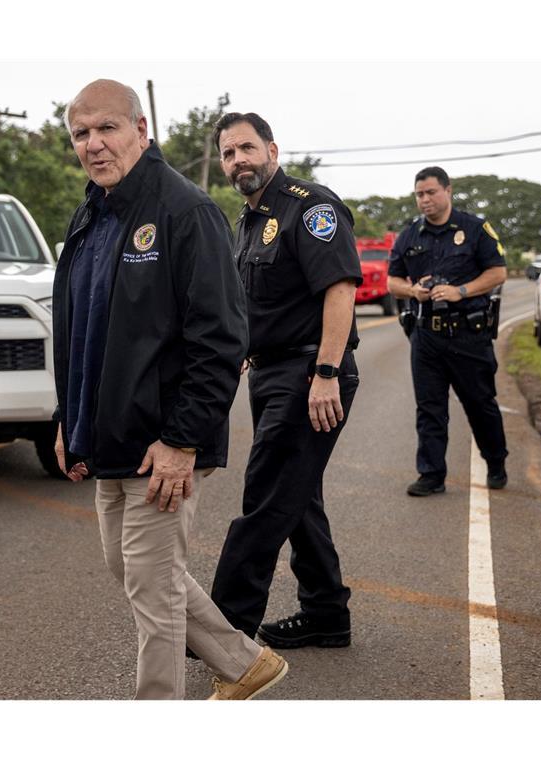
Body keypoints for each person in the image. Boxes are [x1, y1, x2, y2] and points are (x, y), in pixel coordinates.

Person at [52, 80, 287, 700]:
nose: (94, 144)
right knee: (132, 573)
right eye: (81, 133)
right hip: (107, 436)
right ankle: (244, 662)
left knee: (153, 595)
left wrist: (182, 440)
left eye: (107, 128)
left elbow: (221, 339)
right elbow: (80, 331)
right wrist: (66, 418)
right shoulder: (91, 215)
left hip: (165, 442)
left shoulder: (185, 212)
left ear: (141, 130)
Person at [209, 112, 361, 650]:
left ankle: (223, 629)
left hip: (309, 372)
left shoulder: (310, 206)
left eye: (246, 148)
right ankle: (325, 614)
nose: (237, 161)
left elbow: (339, 289)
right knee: (298, 497)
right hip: (272, 370)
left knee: (267, 495)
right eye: (228, 154)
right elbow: (255, 300)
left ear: (272, 149)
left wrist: (326, 373)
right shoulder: (246, 221)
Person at [386, 166, 508, 497]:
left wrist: (461, 291)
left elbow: (497, 273)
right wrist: (413, 292)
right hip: (426, 336)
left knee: (480, 403)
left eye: (430, 193)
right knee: (429, 408)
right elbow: (392, 281)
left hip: (468, 334)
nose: (424, 200)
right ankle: (431, 474)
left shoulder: (474, 228)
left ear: (447, 190)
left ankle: (496, 462)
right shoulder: (409, 236)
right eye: (419, 195)